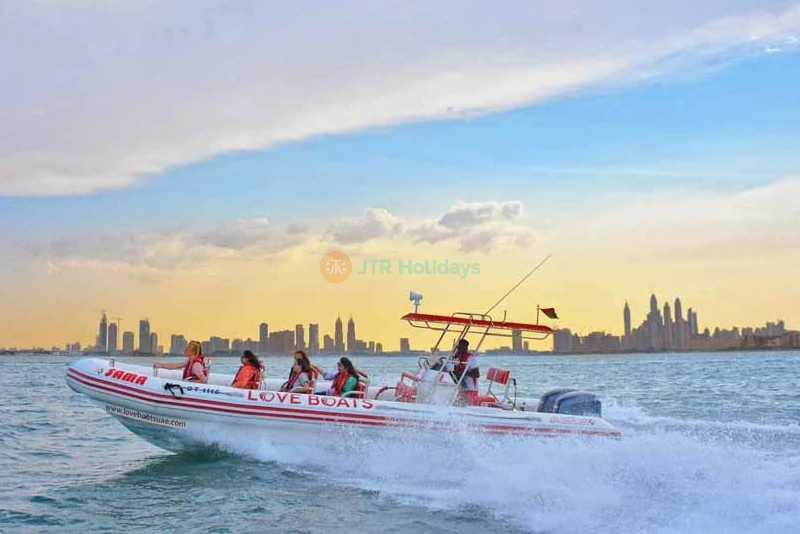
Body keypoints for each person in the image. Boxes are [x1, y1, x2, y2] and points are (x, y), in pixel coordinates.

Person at [452, 339, 479, 406]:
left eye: (461, 348)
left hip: (471, 388)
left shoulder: (470, 358)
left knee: (466, 405)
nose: (459, 349)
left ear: (466, 348)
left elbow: (477, 374)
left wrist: (464, 373)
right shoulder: (456, 357)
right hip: (461, 387)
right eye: (458, 348)